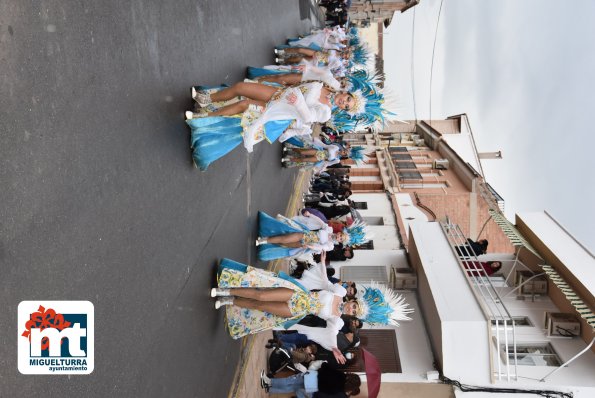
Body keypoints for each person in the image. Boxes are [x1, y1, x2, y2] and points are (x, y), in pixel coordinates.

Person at [212, 258, 360, 363]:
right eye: (354, 306)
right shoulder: (340, 291)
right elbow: (325, 282)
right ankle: (225, 290)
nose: (351, 309)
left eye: (354, 312)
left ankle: (229, 300)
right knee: (261, 295)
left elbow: (331, 334)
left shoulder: (337, 319)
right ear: (352, 301)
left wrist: (334, 347)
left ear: (350, 315)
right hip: (297, 294)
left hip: (294, 311)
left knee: (260, 306)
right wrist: (322, 264)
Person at [185, 81, 355, 170]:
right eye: (347, 99)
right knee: (240, 87)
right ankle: (206, 99)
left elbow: (308, 117)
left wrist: (298, 103)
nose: (343, 103)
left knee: (244, 105)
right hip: (278, 94)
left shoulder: (326, 112)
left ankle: (203, 118)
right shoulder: (326, 86)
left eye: (346, 106)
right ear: (346, 92)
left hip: (280, 113)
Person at [255, 211, 370, 261]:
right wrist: (310, 215)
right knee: (285, 238)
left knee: (283, 245)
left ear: (341, 242)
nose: (339, 237)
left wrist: (310, 247)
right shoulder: (328, 229)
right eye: (341, 235)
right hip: (304, 234)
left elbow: (321, 248)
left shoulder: (330, 246)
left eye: (341, 239)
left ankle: (268, 245)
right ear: (340, 233)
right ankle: (263, 241)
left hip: (305, 246)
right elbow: (320, 222)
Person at [260, 362, 361, 397]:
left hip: (312, 378)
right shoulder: (339, 390)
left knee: (290, 380)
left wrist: (324, 366)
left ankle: (268, 382)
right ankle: (270, 389)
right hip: (312, 387)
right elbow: (325, 390)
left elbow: (326, 368)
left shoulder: (341, 376)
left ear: (351, 377)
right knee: (291, 388)